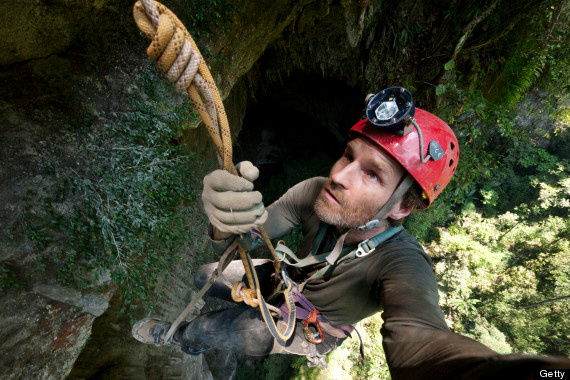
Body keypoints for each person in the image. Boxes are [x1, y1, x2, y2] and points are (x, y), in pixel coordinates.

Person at [133, 88, 570, 378]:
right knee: (202, 275)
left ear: (403, 206)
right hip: (282, 278)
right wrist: (224, 218)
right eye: (347, 155)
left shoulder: (401, 264)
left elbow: (420, 338)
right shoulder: (313, 193)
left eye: (373, 175)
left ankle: (179, 339)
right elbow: (250, 236)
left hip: (307, 326)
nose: (341, 175)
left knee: (218, 329)